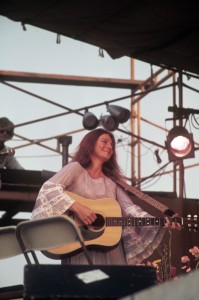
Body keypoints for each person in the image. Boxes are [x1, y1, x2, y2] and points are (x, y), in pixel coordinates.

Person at [31, 128, 180, 265]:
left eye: (112, 144)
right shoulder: (75, 169)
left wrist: (160, 222)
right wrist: (77, 207)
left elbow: (131, 210)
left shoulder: (112, 181)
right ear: (90, 144)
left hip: (111, 253)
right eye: (104, 141)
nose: (110, 146)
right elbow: (49, 189)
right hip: (79, 249)